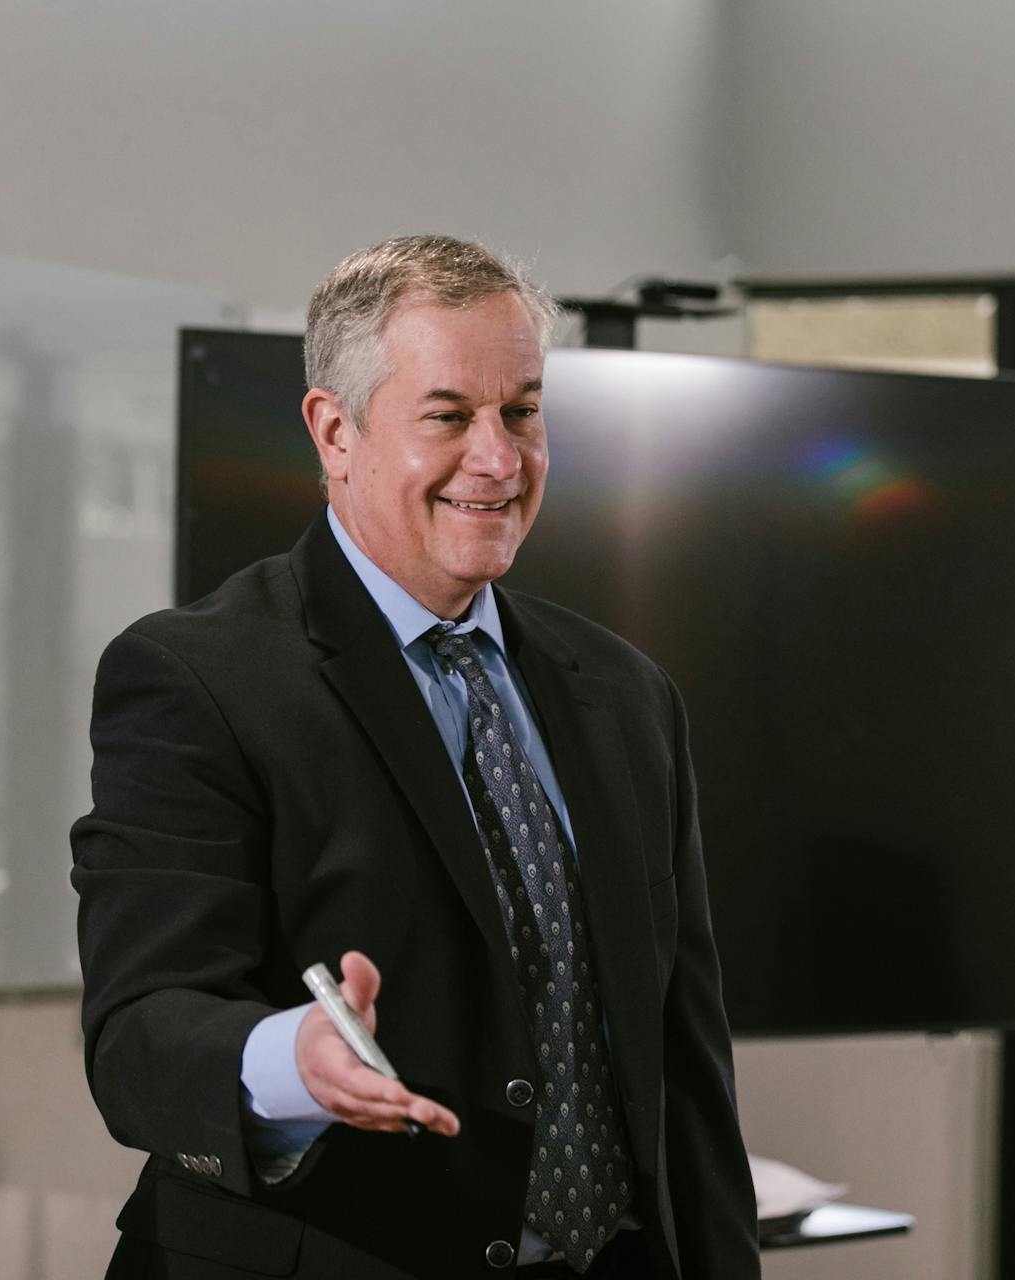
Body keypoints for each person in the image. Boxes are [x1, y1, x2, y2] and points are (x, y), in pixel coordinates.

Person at [72, 234, 760, 1280]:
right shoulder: (191, 678)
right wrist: (292, 1064)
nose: (499, 458)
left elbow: (687, 1069)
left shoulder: (626, 693)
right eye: (449, 415)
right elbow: (139, 1035)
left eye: (522, 412)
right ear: (334, 430)